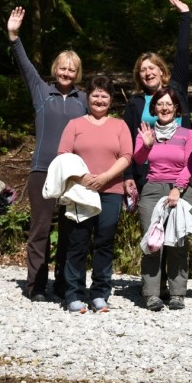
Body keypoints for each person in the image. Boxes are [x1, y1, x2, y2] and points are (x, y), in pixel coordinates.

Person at [6, 6, 88, 302]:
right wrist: (14, 36)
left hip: (72, 176)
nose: (66, 73)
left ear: (77, 73)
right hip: (42, 170)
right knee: (40, 230)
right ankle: (36, 286)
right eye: (62, 68)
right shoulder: (41, 91)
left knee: (69, 232)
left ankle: (64, 285)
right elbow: (25, 64)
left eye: (72, 69)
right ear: (56, 70)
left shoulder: (84, 100)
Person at [57, 75, 132, 314]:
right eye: (95, 95)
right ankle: (74, 295)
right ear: (88, 97)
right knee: (77, 242)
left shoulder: (119, 125)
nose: (99, 100)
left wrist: (105, 177)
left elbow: (126, 156)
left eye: (104, 95)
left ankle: (100, 294)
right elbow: (63, 155)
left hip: (110, 190)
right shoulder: (75, 124)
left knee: (104, 243)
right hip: (80, 192)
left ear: (110, 100)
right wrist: (82, 177)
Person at [132, 87, 192, 312]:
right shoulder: (146, 132)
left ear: (176, 108)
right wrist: (147, 145)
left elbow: (190, 166)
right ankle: (152, 294)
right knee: (153, 243)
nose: (165, 108)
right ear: (154, 109)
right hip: (152, 189)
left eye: (169, 104)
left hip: (181, 189)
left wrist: (177, 189)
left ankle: (177, 293)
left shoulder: (187, 134)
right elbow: (138, 160)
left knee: (178, 242)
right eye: (160, 104)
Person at [123, 0, 192, 199]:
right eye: (142, 70)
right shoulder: (135, 104)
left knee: (178, 228)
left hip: (178, 169)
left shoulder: (177, 90)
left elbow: (183, 52)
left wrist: (185, 16)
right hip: (147, 171)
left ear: (161, 70)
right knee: (151, 227)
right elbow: (126, 142)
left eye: (152, 67)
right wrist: (127, 175)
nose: (148, 73)